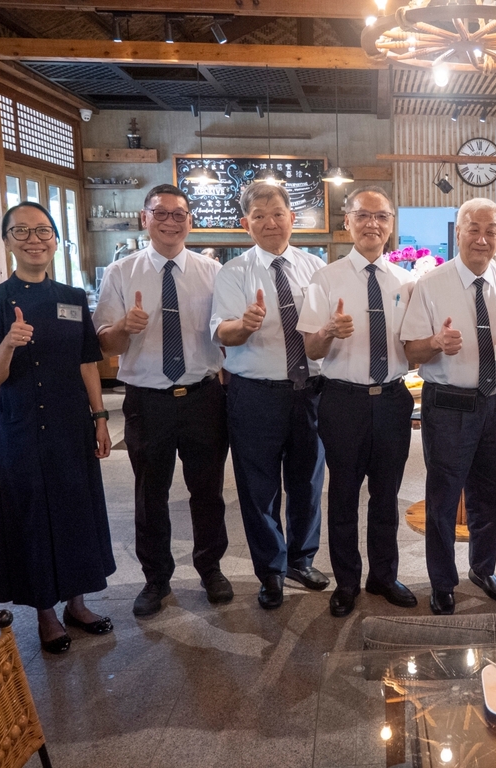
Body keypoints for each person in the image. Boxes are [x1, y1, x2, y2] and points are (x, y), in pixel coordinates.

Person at [0, 202, 115, 654]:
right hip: (21, 426)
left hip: (72, 424)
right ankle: (46, 614)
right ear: (6, 240)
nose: (34, 239)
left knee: (75, 510)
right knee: (32, 515)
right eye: (22, 232)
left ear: (56, 239)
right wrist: (9, 345)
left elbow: (87, 362)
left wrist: (100, 417)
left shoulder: (72, 298)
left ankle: (77, 602)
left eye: (43, 231)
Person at [95, 184, 231, 618]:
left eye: (180, 214)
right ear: (144, 218)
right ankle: (156, 578)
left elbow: (224, 337)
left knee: (207, 490)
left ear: (190, 220)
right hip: (147, 401)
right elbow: (103, 344)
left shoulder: (213, 272)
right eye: (162, 213)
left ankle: (210, 568)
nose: (171, 221)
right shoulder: (120, 272)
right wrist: (125, 327)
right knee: (149, 492)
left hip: (202, 397)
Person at [298, 187, 418, 618]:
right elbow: (311, 349)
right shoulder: (325, 279)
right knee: (344, 495)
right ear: (346, 222)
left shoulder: (407, 282)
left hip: (392, 399)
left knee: (387, 496)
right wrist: (329, 330)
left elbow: (415, 344)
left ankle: (383, 576)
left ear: (391, 225)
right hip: (342, 400)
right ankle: (347, 581)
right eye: (363, 216)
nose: (373, 224)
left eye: (381, 216)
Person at [400, 198, 496, 615]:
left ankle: (483, 569)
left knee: (492, 493)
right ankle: (442, 581)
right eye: (474, 228)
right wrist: (435, 344)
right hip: (449, 403)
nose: (482, 238)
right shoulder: (431, 284)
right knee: (444, 493)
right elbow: (411, 350)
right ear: (458, 232)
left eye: (491, 230)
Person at [211, 182, 328, 609]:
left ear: (293, 219)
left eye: (277, 213)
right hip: (254, 394)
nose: (269, 222)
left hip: (309, 391)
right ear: (246, 224)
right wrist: (245, 325)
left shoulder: (316, 268)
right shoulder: (233, 272)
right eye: (258, 215)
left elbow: (324, 328)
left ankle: (301, 558)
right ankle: (271, 570)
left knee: (308, 481)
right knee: (258, 487)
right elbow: (221, 331)